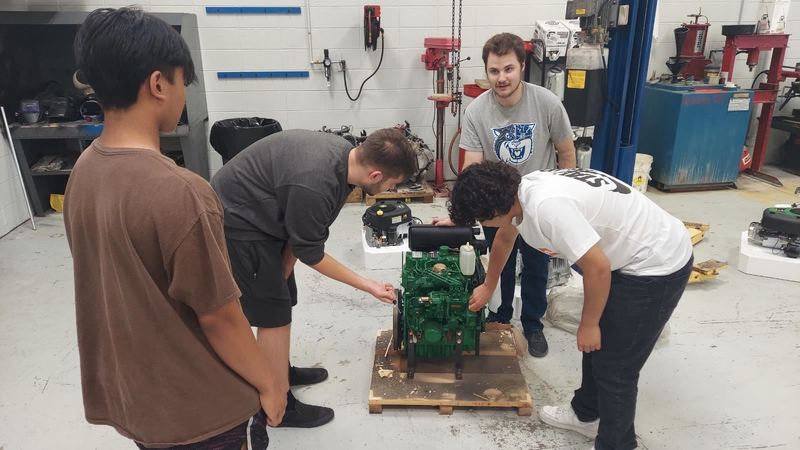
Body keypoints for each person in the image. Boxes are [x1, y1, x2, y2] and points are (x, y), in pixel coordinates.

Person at [64, 7, 284, 449]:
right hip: (203, 414)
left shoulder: (83, 171)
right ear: (159, 84)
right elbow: (220, 317)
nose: (183, 93)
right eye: (183, 81)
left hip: (143, 404)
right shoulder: (181, 191)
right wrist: (272, 383)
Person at [448, 161, 693, 450]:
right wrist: (489, 285)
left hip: (656, 263)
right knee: (598, 349)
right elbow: (504, 237)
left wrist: (588, 325)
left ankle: (617, 445)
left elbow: (598, 268)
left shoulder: (547, 209)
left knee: (616, 366)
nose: (481, 225)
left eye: (479, 219)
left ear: (494, 211)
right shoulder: (519, 194)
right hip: (626, 257)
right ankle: (587, 414)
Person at [211, 128, 417, 428]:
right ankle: (279, 406)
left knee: (283, 296)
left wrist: (282, 273)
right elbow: (311, 253)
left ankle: (278, 369)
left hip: (268, 213)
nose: (392, 189)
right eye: (392, 183)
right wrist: (369, 285)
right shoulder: (315, 185)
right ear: (375, 176)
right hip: (240, 221)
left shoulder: (345, 157)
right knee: (273, 313)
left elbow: (302, 239)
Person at [434, 32, 576, 357]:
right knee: (501, 262)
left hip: (540, 207)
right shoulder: (476, 112)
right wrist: (461, 215)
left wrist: (565, 200)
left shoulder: (547, 103)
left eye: (508, 69)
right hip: (498, 205)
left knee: (538, 265)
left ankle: (533, 324)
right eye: (494, 71)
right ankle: (501, 316)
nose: (501, 78)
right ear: (487, 71)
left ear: (522, 67)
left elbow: (566, 153)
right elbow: (471, 168)